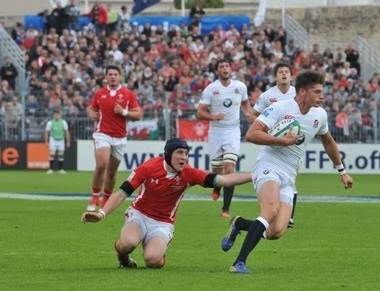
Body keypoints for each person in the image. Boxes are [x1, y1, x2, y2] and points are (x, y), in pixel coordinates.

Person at [222, 70, 354, 274]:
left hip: (289, 175)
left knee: (276, 231)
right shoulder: (280, 108)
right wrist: (283, 141)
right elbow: (252, 134)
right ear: (302, 91)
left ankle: (239, 224)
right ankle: (239, 263)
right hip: (268, 165)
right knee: (270, 210)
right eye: (317, 91)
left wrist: (342, 171)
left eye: (322, 91)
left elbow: (328, 141)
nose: (322, 95)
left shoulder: (320, 114)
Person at [81, 138, 252, 268]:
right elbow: (122, 193)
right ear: (169, 154)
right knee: (127, 244)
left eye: (186, 153)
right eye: (179, 153)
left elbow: (223, 180)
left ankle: (156, 248)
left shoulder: (189, 173)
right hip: (139, 215)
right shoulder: (149, 167)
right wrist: (101, 214)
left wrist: (253, 175)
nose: (184, 157)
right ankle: (124, 258)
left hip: (163, 223)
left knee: (152, 261)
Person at [197, 59, 252, 217]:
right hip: (216, 131)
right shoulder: (211, 89)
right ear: (217, 71)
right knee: (217, 169)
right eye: (221, 67)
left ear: (230, 69)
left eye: (227, 66)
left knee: (229, 168)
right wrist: (213, 117)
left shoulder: (240, 87)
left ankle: (225, 209)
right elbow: (200, 112)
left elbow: (245, 103)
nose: (225, 68)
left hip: (233, 130)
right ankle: (217, 187)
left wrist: (248, 113)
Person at [87, 65, 141, 211]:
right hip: (102, 133)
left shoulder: (128, 94)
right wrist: (92, 114)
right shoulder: (100, 93)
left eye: (115, 74)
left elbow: (138, 114)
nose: (112, 76)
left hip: (120, 137)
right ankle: (94, 197)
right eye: (110, 74)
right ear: (106, 77)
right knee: (102, 165)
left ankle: (106, 199)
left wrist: (123, 112)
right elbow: (92, 108)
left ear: (120, 76)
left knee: (111, 171)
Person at [251, 62, 298, 229]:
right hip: (274, 141)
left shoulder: (297, 93)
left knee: (292, 175)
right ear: (275, 76)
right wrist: (268, 129)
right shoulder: (267, 96)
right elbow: (254, 115)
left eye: (287, 71)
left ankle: (288, 216)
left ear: (291, 76)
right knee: (273, 175)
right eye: (280, 72)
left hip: (294, 140)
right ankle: (269, 212)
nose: (284, 74)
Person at [44, 109, 71, 174]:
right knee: (52, 154)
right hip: (53, 139)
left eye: (57, 114)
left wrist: (68, 141)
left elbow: (66, 132)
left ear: (60, 115)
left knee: (60, 155)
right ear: (53, 115)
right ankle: (50, 169)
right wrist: (46, 141)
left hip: (61, 139)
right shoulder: (50, 123)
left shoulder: (63, 122)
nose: (56, 116)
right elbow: (46, 132)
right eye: (55, 115)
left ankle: (61, 169)